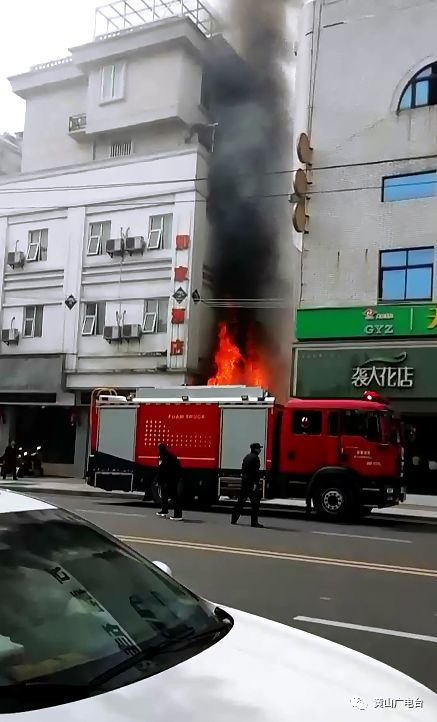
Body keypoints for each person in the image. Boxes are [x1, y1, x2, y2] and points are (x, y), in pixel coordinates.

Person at [231, 443, 264, 528]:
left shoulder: (247, 457)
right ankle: (254, 522)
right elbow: (255, 473)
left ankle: (234, 519)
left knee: (241, 501)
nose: (260, 450)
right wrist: (256, 483)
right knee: (255, 504)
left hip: (245, 481)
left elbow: (243, 469)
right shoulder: (255, 458)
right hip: (251, 482)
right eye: (259, 448)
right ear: (256, 449)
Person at [156, 443, 183, 521]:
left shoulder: (163, 457)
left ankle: (177, 515)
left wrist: (159, 480)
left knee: (173, 496)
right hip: (173, 478)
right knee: (165, 495)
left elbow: (161, 470)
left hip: (169, 479)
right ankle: (164, 510)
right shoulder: (170, 456)